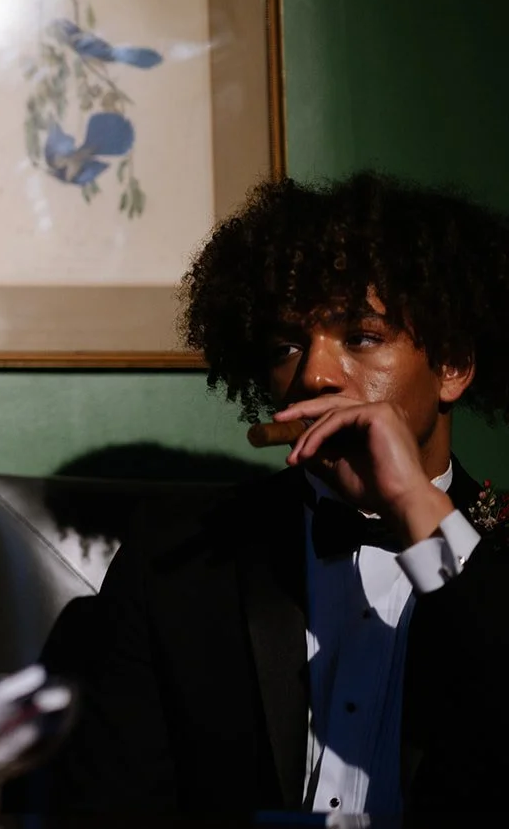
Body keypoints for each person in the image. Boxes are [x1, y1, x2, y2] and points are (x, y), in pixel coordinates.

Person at [59, 172, 509, 815]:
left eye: (360, 336)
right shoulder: (177, 557)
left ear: (452, 367)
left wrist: (415, 505)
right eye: (286, 345)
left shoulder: (499, 557)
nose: (315, 373)